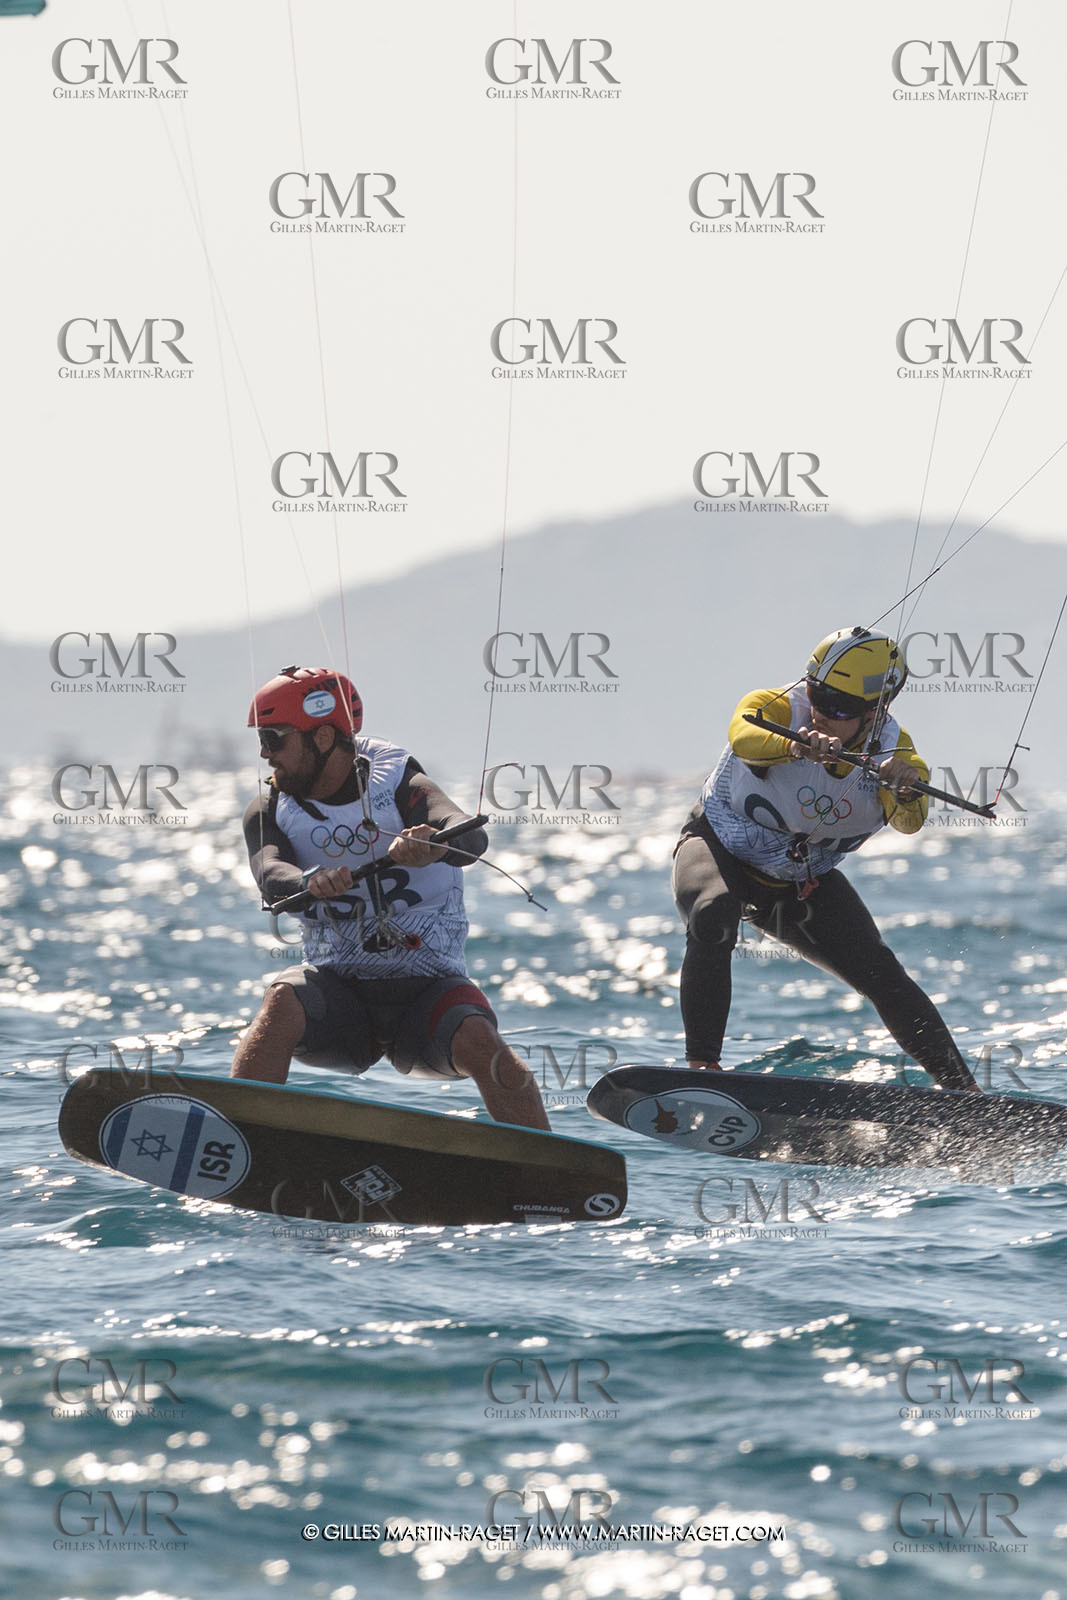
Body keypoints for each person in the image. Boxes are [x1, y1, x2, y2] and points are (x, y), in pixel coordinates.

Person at [232, 664, 550, 1129]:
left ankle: (549, 1170)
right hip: (338, 1000)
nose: (265, 754)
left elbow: (468, 838)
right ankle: (233, 1138)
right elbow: (270, 872)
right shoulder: (269, 808)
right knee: (281, 1002)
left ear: (322, 738)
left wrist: (431, 842)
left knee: (481, 1040)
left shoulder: (399, 781)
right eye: (262, 739)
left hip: (426, 998)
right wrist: (306, 882)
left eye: (275, 738)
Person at [671, 627, 980, 1092]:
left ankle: (963, 1094)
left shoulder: (898, 753)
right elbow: (743, 735)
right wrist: (794, 744)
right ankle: (702, 1071)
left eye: (839, 708)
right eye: (817, 693)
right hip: (718, 849)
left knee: (881, 972)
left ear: (876, 713)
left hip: (800, 884)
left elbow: (910, 822)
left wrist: (902, 785)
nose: (820, 711)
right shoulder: (776, 707)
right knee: (714, 915)